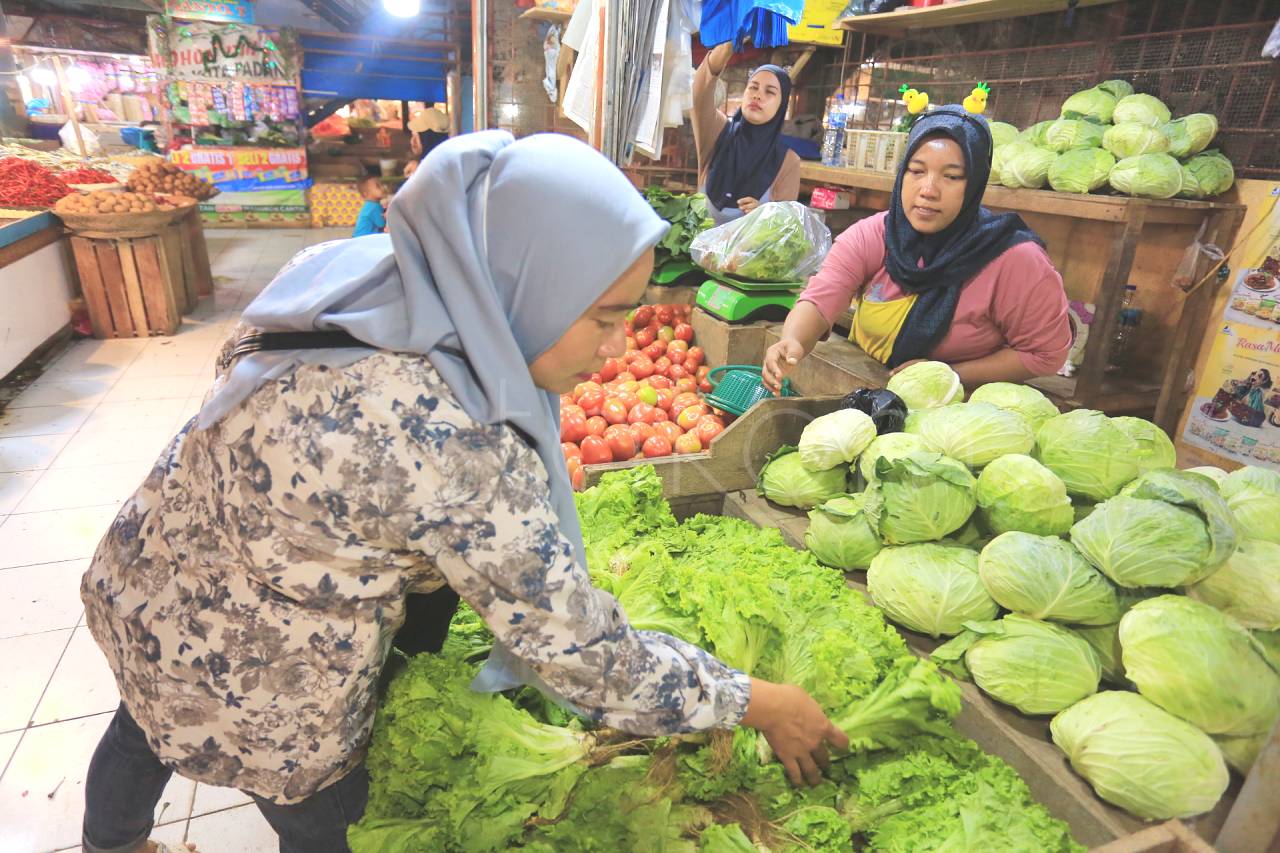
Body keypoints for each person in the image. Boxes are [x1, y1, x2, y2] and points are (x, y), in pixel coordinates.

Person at [78, 131, 848, 853]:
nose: (616, 346)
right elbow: (587, 661)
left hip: (153, 576)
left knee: (143, 719)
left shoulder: (362, 271)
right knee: (329, 824)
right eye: (605, 318)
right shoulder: (456, 439)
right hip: (269, 682)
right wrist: (761, 700)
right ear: (525, 282)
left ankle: (108, 844)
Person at [763, 105, 1071, 394]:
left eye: (951, 176)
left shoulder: (1014, 260)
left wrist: (950, 373)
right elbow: (821, 298)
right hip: (869, 390)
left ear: (975, 182)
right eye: (916, 170)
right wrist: (792, 341)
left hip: (956, 407)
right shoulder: (875, 235)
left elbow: (1045, 354)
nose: (928, 190)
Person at [693, 42, 800, 225]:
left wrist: (763, 216)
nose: (757, 95)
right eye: (753, 87)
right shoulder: (717, 133)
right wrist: (727, 47)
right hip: (697, 252)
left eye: (770, 92)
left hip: (749, 253)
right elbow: (700, 95)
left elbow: (785, 231)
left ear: (782, 106)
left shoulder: (787, 162)